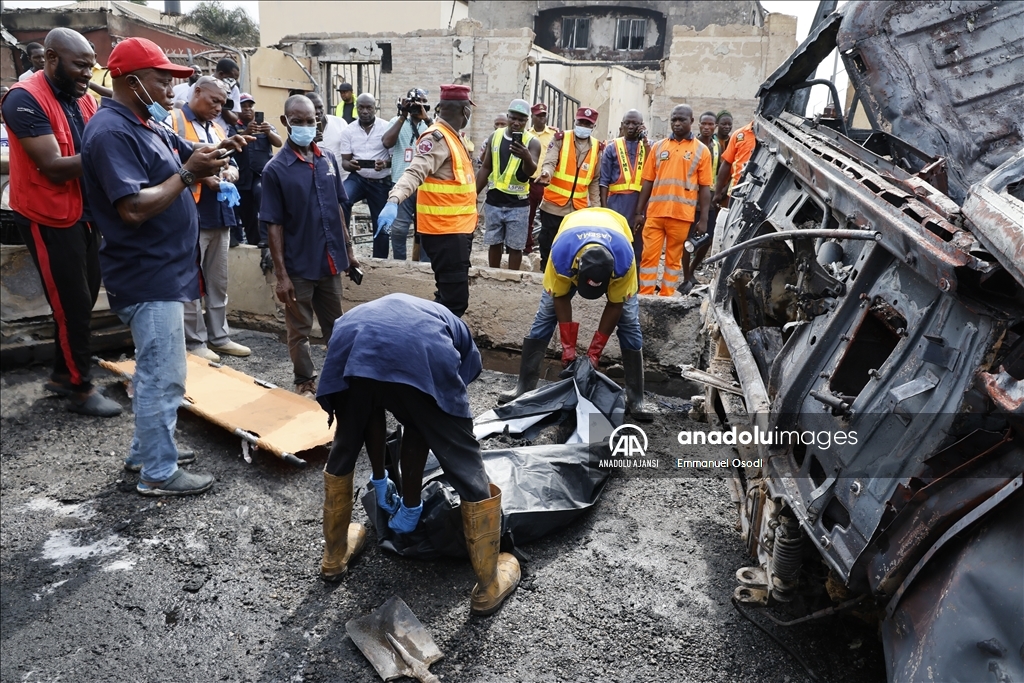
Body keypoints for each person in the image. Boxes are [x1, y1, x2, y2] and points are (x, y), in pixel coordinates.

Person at [81, 36, 246, 495]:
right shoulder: (112, 132)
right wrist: (191, 173)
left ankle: (145, 450)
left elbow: (184, 152)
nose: (172, 90)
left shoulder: (145, 123)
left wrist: (214, 152)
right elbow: (132, 208)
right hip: (146, 273)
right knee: (163, 374)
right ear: (131, 81)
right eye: (162, 80)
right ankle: (158, 471)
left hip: (164, 270)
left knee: (158, 368)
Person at [315, 293, 521, 616]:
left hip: (352, 338)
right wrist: (383, 480)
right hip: (418, 346)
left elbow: (374, 413)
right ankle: (489, 585)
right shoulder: (457, 345)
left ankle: (334, 557)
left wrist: (399, 494)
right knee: (467, 468)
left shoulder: (435, 321)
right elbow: (426, 418)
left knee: (343, 448)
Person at [2, 28, 121, 417]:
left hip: (83, 211)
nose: (88, 74)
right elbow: (54, 167)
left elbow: (99, 133)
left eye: (91, 66)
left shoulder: (80, 96)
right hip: (46, 214)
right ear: (51, 58)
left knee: (82, 299)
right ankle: (80, 387)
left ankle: (59, 374)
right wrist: (113, 149)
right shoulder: (22, 100)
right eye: (80, 66)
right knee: (72, 304)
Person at [498, 207, 652, 421]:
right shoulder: (561, 255)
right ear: (577, 271)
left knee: (629, 324)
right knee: (545, 316)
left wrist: (594, 353)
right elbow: (559, 297)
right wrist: (568, 347)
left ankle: (636, 399)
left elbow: (615, 305)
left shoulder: (624, 262)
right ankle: (523, 388)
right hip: (573, 227)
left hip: (617, 229)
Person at [262, 95, 359, 398]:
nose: (305, 126)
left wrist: (350, 253)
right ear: (285, 123)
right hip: (299, 266)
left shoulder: (327, 159)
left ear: (318, 121)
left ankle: (340, 378)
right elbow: (273, 225)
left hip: (330, 262)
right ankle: (305, 381)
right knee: (299, 330)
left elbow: (338, 209)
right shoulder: (275, 170)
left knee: (337, 327)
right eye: (298, 121)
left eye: (310, 120)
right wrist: (281, 276)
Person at [169, 76, 250, 361]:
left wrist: (230, 174)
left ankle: (219, 336)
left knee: (218, 280)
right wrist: (206, 178)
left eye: (222, 103)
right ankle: (195, 342)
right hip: (190, 213)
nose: (218, 107)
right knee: (192, 281)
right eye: (213, 100)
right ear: (197, 91)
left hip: (220, 213)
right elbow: (168, 163)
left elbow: (234, 164)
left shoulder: (218, 128)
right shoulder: (174, 120)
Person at [378, 84, 477, 317]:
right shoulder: (437, 138)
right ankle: (434, 345)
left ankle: (435, 343)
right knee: (454, 303)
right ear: (465, 111)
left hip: (455, 231)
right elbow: (414, 171)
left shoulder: (453, 137)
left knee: (447, 297)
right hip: (445, 233)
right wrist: (394, 200)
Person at [633, 104, 712, 297]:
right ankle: (645, 295)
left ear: (691, 121)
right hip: (655, 214)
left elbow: (705, 188)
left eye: (681, 120)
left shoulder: (702, 151)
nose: (676, 123)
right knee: (648, 257)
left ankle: (666, 296)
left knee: (673, 259)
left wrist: (703, 220)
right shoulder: (658, 147)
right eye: (674, 119)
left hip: (681, 216)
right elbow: (648, 181)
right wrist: (638, 212)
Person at [475, 98, 540, 271]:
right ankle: (493, 276)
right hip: (494, 201)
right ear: (508, 116)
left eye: (521, 120)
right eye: (513, 118)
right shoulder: (495, 136)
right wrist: (471, 194)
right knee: (494, 243)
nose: (516, 123)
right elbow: (486, 167)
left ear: (527, 121)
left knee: (515, 246)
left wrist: (526, 156)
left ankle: (512, 279)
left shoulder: (532, 142)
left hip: (518, 204)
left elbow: (531, 171)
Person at [535, 106, 601, 271]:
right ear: (575, 121)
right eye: (581, 122)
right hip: (554, 205)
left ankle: (564, 273)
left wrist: (596, 205)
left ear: (593, 126)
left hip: (577, 209)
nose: (584, 126)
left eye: (588, 124)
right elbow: (550, 161)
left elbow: (595, 179)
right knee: (547, 241)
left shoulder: (597, 147)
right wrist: (546, 173)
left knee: (572, 244)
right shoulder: (560, 138)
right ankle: (545, 271)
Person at [339, 93, 393, 258]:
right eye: (361, 107)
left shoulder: (386, 127)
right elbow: (345, 162)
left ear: (375, 108)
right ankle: (344, 245)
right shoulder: (349, 130)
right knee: (342, 200)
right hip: (359, 179)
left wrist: (384, 164)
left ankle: (380, 262)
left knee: (381, 223)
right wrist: (351, 165)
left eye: (368, 107)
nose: (364, 111)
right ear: (356, 109)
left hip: (381, 182)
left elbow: (394, 159)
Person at [381, 87, 430, 260]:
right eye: (415, 104)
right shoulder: (397, 121)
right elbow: (387, 142)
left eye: (423, 104)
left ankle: (425, 266)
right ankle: (400, 263)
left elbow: (442, 141)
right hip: (400, 182)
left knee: (425, 229)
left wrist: (428, 119)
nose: (419, 108)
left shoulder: (430, 125)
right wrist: (403, 116)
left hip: (425, 185)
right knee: (399, 229)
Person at [599, 109, 648, 270]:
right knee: (615, 242)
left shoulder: (649, 146)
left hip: (641, 205)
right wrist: (605, 208)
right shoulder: (612, 148)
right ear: (622, 125)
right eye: (628, 123)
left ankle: (635, 280)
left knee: (638, 245)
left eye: (636, 123)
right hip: (617, 204)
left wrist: (645, 141)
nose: (631, 126)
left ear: (642, 126)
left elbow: (654, 168)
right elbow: (604, 181)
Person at [233, 92, 282, 247]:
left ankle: (266, 238)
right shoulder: (233, 127)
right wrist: (246, 133)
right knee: (247, 213)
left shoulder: (266, 126)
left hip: (262, 174)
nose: (248, 109)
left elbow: (279, 143)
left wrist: (268, 132)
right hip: (243, 176)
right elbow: (229, 147)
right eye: (243, 106)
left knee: (262, 196)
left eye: (250, 106)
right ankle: (254, 241)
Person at [692, 111, 722, 274]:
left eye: (711, 124)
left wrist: (717, 193)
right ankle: (686, 274)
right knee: (687, 238)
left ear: (715, 127)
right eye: (704, 123)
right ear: (698, 124)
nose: (707, 127)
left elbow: (717, 171)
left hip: (708, 198)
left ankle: (692, 269)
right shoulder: (693, 144)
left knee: (707, 238)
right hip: (691, 197)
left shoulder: (716, 146)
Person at [525, 103, 558, 256]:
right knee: (528, 218)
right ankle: (527, 248)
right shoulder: (527, 134)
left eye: (544, 115)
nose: (541, 118)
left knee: (548, 220)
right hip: (530, 182)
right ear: (532, 117)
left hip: (547, 183)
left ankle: (548, 251)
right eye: (538, 115)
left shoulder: (553, 134)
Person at [713, 119, 756, 210]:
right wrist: (718, 192)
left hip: (759, 192)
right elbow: (727, 163)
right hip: (736, 189)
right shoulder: (740, 134)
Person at [211, 58, 241, 128]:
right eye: (232, 79)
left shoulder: (234, 89)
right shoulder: (201, 84)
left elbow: (234, 120)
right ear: (221, 74)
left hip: (222, 134)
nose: (234, 82)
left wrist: (224, 101)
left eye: (236, 80)